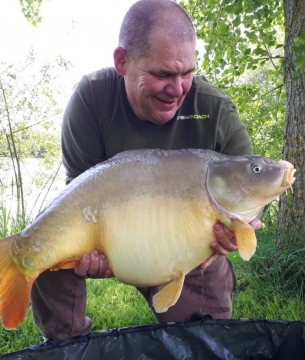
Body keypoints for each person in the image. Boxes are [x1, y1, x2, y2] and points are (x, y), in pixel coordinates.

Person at [31, 0, 262, 340]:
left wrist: (241, 228)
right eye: (163, 74)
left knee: (204, 334)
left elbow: (248, 193)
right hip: (110, 237)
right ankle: (67, 344)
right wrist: (93, 249)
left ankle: (196, 334)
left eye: (187, 72)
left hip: (185, 249)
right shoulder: (91, 98)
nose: (178, 88)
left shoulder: (214, 109)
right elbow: (76, 199)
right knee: (44, 242)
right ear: (122, 61)